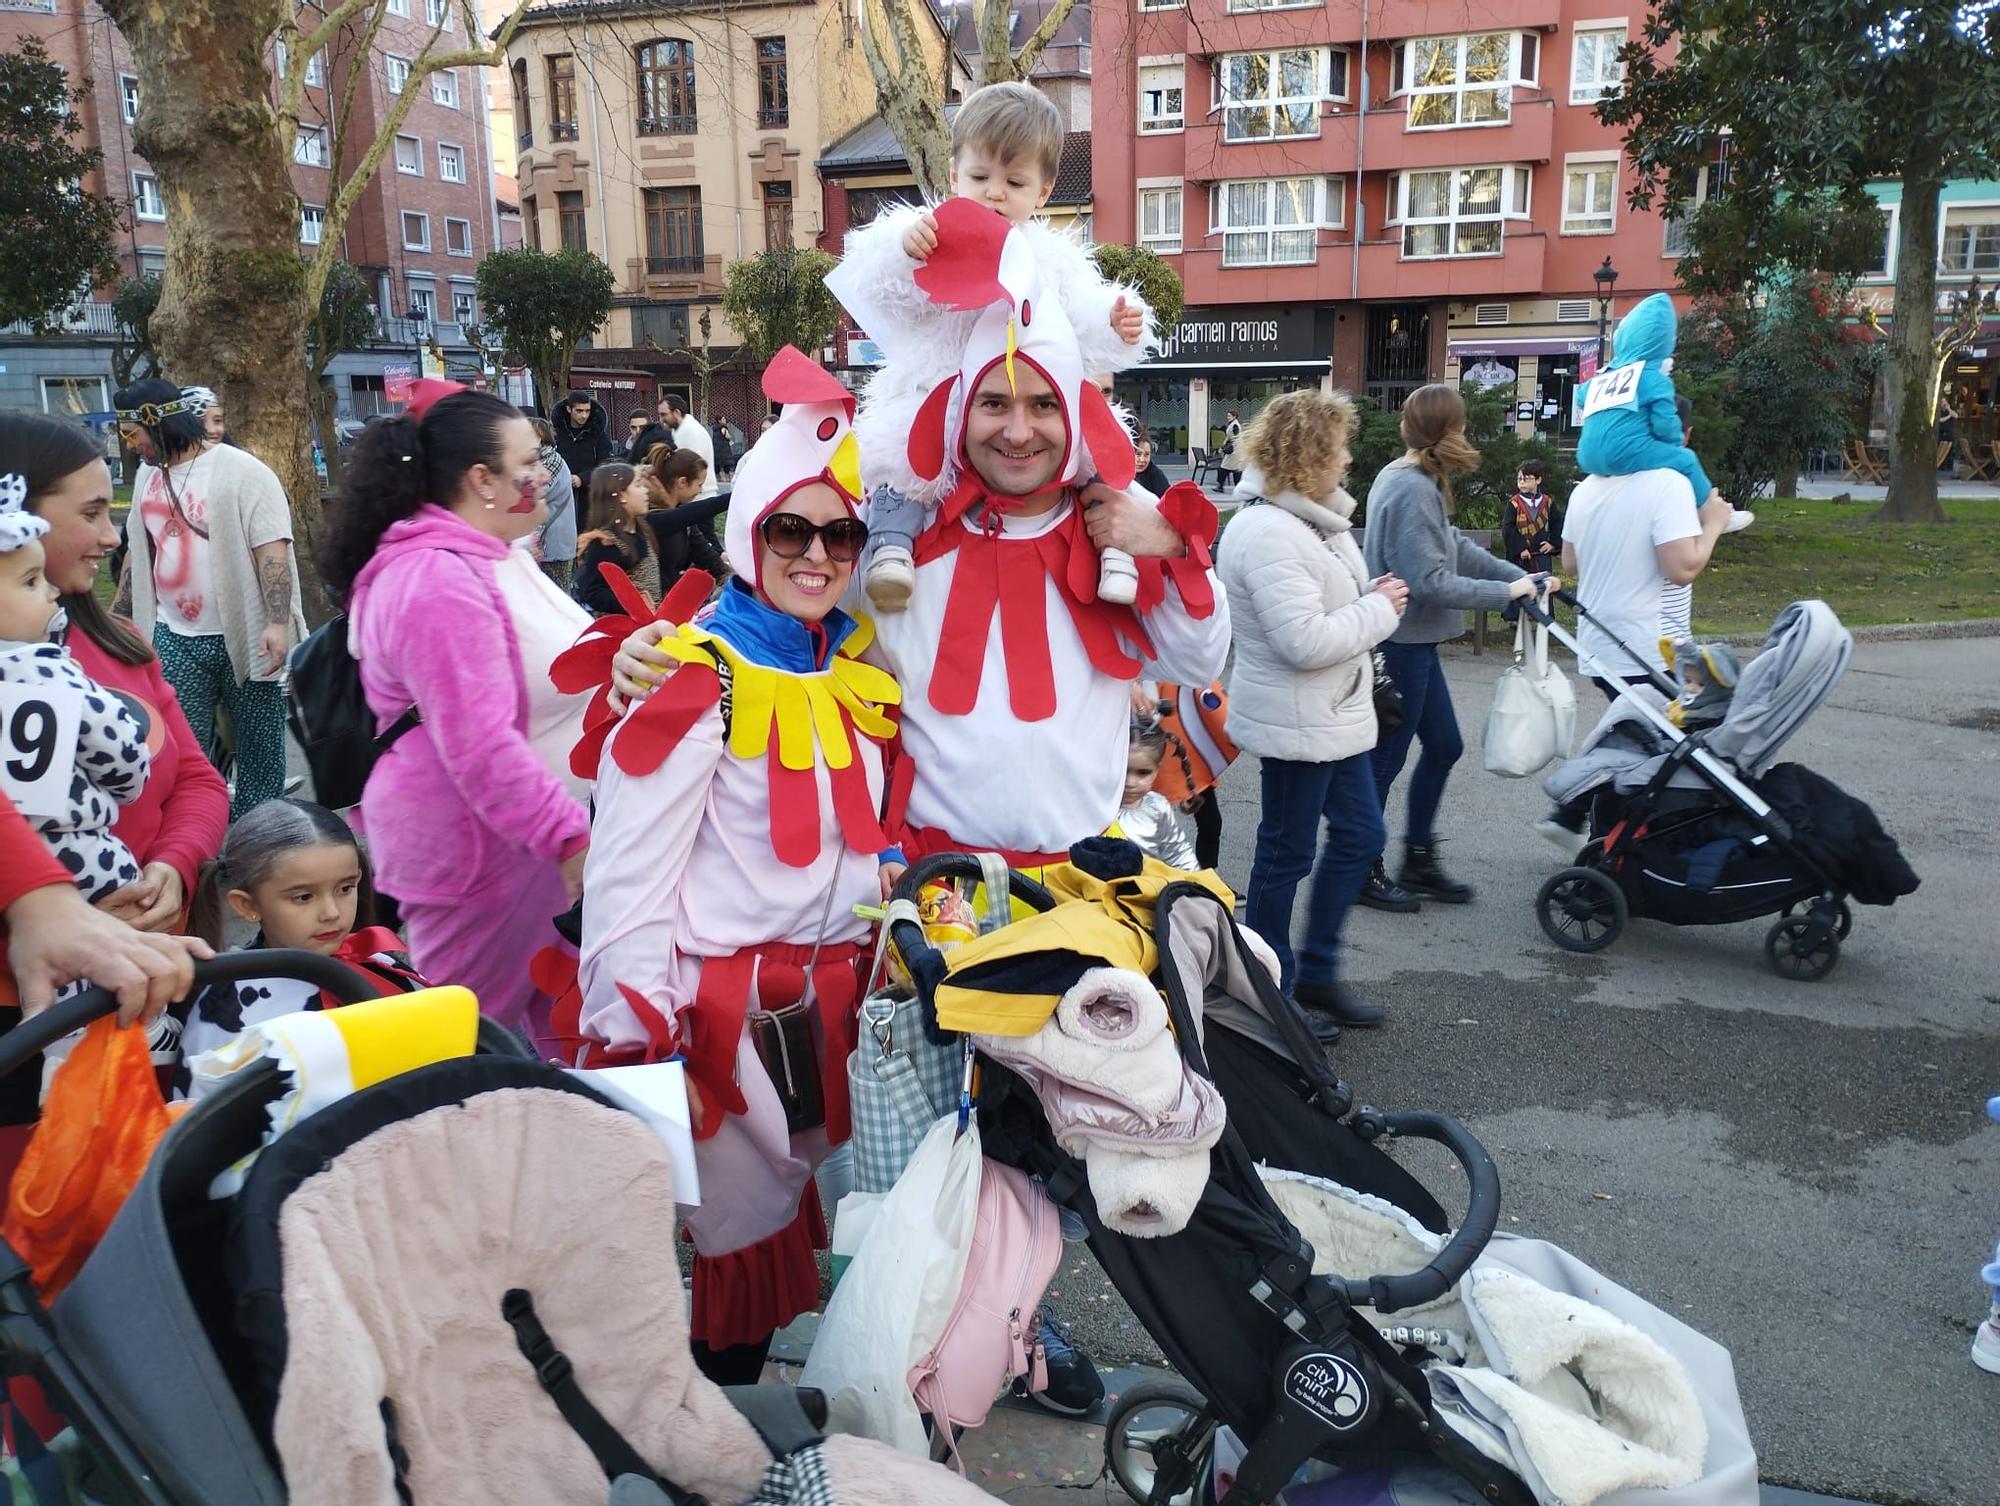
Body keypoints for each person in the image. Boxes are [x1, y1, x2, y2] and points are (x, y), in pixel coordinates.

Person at [625, 221, 1227, 1416]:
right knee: (928, 1143)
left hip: (1072, 895)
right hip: (928, 901)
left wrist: (1172, 542)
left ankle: (1016, 1323)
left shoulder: (1111, 537)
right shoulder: (897, 550)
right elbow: (774, 592)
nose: (1017, 428)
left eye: (1041, 406)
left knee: (1057, 1139)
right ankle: (914, 1339)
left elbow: (1199, 653)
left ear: (1075, 416)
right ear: (957, 414)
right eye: (992, 403)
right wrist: (654, 644)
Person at [579, 347, 903, 1388]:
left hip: (837, 1012)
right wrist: (633, 1044)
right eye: (788, 529)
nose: (816, 554)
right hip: (724, 1029)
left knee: (812, 1235)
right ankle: (706, 1455)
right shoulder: (691, 671)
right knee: (738, 1261)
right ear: (744, 533)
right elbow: (626, 877)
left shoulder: (849, 663)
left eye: (838, 534)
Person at [319, 379, 589, 1043]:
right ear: (482, 480)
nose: (543, 477)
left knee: (533, 1038)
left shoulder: (456, 561)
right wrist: (570, 841)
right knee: (466, 1050)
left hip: (483, 847)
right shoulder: (437, 580)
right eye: (527, 463)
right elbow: (481, 745)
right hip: (470, 857)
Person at [831, 81, 1152, 614]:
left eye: (1014, 180)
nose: (995, 193)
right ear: (954, 176)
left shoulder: (1050, 258)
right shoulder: (932, 236)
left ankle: (1115, 550)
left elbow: (1082, 308)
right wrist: (903, 247)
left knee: (1098, 446)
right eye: (980, 177)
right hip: (939, 389)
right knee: (897, 450)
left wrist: (1114, 319)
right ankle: (892, 549)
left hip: (1025, 401)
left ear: (1043, 192)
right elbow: (877, 284)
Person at [1220, 391, 1409, 1038]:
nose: (1350, 458)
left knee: (1361, 837)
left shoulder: (1311, 519)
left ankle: (1318, 973)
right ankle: (1273, 990)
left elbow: (1334, 609)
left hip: (1335, 717)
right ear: (1310, 457)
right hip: (1297, 722)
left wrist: (1372, 599)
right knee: (1285, 855)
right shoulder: (1268, 531)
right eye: (1340, 448)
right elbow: (1304, 642)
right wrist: (1381, 610)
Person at [11, 410, 230, 935]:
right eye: (91, 514)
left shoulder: (124, 642)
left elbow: (199, 781)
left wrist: (173, 867)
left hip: (162, 958)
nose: (112, 538)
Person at [1362, 384, 1550, 909]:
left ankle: (1417, 858)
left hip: (1416, 642)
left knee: (1444, 746)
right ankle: (1360, 865)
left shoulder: (1421, 480)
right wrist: (1505, 592)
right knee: (1385, 760)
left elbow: (1455, 548)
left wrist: (1523, 576)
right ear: (1450, 430)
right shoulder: (1410, 488)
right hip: (1401, 643)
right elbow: (1430, 581)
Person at [113, 377, 304, 817]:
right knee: (183, 754)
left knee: (260, 749)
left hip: (248, 634)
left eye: (132, 435)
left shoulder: (242, 471)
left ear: (156, 422)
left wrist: (277, 623)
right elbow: (137, 555)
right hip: (174, 635)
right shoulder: (146, 478)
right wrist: (119, 617)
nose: (131, 447)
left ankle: (260, 842)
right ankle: (200, 842)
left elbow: (272, 551)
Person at [180, 800, 427, 1066]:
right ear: (248, 905)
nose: (331, 912)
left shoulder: (381, 964)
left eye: (345, 889)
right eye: (304, 897)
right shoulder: (227, 1012)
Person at [0, 482, 149, 905]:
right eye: (31, 582)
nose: (50, 592)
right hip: (81, 857)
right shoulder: (46, 669)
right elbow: (121, 756)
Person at [1560, 429, 1736, 696]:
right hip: (1652, 648)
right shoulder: (1668, 483)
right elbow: (1682, 569)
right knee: (1677, 731)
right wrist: (1714, 523)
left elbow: (1570, 563)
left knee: (1631, 729)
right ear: (1685, 433)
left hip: (1598, 644)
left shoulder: (1587, 487)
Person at [1148, 680, 1237, 872]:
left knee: (1211, 822)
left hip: (1187, 729)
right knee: (1143, 821)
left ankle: (1208, 880)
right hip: (1150, 732)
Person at [1119, 714, 1197, 871]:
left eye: (1143, 773)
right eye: (1123, 770)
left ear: (1157, 770)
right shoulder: (1095, 805)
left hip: (1147, 890)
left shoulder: (1158, 807)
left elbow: (1178, 854)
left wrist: (1197, 884)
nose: (1130, 783)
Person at [529, 418, 578, 591]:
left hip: (554, 542)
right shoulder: (538, 461)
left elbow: (530, 493)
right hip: (546, 541)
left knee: (557, 594)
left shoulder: (551, 461)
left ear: (541, 438)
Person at [1503, 458, 1560, 573]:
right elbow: (1508, 528)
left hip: (1541, 557)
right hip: (1520, 558)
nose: (1522, 482)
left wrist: (1553, 543)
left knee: (1543, 587)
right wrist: (1520, 548)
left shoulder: (1547, 502)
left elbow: (1557, 524)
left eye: (1526, 479)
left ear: (1538, 480)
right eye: (1519, 479)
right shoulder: (1514, 503)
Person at [551, 389, 614, 490]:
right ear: (569, 409)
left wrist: (583, 478)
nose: (584, 415)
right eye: (579, 411)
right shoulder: (556, 434)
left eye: (587, 411)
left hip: (591, 492)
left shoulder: (598, 434)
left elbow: (605, 464)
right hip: (562, 489)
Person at [665, 394, 719, 501]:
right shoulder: (681, 430)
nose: (662, 419)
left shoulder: (692, 431)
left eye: (664, 415)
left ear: (676, 413)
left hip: (699, 497)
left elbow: (692, 467)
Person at [1132, 431, 1173, 499]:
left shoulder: (1157, 475)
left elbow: (1166, 499)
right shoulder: (1118, 475)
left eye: (1147, 455)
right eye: (1138, 454)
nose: (1142, 460)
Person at [711, 413, 737, 480]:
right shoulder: (723, 428)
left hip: (716, 450)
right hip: (724, 450)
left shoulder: (714, 428)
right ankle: (727, 479)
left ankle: (718, 479)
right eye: (723, 419)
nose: (725, 420)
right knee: (726, 465)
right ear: (719, 420)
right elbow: (728, 436)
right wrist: (730, 437)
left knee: (717, 466)